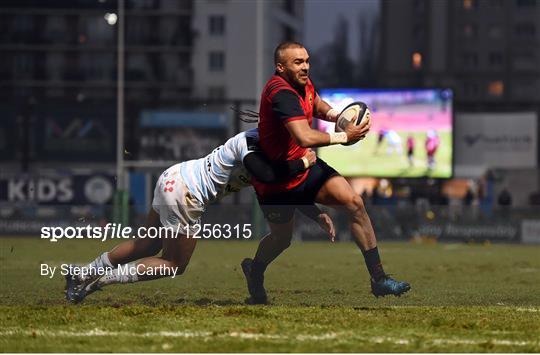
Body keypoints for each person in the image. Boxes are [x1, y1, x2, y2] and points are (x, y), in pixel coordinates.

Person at [64, 128, 336, 303]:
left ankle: (81, 273)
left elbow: (283, 189)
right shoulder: (251, 145)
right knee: (174, 264)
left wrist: (316, 214)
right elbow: (269, 176)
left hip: (174, 175)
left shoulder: (268, 147)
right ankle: (98, 282)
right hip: (185, 193)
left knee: (146, 244)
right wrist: (303, 163)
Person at [241, 41, 410, 304]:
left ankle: (379, 279)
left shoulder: (302, 83)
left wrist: (340, 118)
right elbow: (305, 136)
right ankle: (255, 271)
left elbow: (316, 103)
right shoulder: (281, 92)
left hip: (306, 167)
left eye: (307, 60)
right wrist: (345, 135)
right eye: (298, 62)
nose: (305, 66)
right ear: (280, 67)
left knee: (354, 203)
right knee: (281, 239)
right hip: (278, 178)